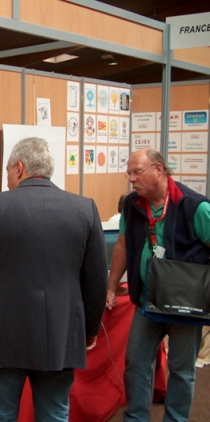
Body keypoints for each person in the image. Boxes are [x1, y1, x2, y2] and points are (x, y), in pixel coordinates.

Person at [0, 137, 108, 422]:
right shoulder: (85, 208)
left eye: (8, 171)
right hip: (61, 335)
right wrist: (89, 330)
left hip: (4, 336)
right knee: (55, 413)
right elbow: (97, 278)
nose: (8, 180)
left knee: (0, 415)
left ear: (19, 168)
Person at [106, 148, 210, 421]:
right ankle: (136, 417)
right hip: (147, 300)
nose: (131, 179)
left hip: (185, 305)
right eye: (129, 173)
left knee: (181, 370)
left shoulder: (195, 206)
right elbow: (122, 244)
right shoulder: (131, 204)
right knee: (136, 364)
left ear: (159, 170)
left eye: (137, 172)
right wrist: (111, 285)